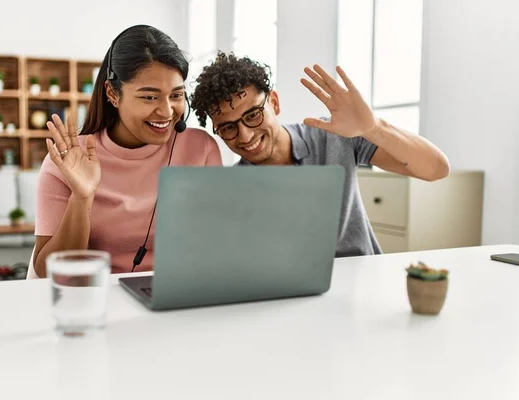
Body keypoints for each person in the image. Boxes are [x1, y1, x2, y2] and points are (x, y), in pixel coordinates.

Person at [190, 52, 450, 257]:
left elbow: (436, 169)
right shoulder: (232, 188)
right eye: (228, 127)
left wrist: (374, 128)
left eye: (253, 115)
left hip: (363, 285)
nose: (245, 136)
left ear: (275, 103)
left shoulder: (334, 135)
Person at [33, 25, 222, 277]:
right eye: (149, 97)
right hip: (98, 301)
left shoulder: (202, 149)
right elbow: (47, 273)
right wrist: (81, 198)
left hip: (182, 296)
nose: (166, 112)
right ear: (113, 93)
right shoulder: (68, 158)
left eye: (176, 95)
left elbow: (219, 246)